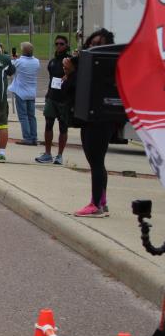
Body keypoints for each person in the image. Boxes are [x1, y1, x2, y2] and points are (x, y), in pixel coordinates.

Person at [75, 28, 116, 217]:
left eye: (99, 44)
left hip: (100, 119)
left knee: (97, 162)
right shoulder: (88, 63)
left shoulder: (105, 66)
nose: (94, 47)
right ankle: (102, 200)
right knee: (96, 162)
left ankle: (96, 204)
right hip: (90, 118)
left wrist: (71, 73)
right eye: (92, 43)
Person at [36, 35, 72, 164]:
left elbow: (76, 77)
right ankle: (47, 154)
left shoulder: (70, 61)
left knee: (63, 127)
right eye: (56, 44)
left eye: (61, 44)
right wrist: (48, 95)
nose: (58, 46)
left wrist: (68, 76)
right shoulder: (52, 62)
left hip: (64, 99)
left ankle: (60, 156)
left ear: (66, 45)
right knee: (48, 125)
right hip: (52, 97)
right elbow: (51, 79)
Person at [9, 42, 40, 146]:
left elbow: (11, 66)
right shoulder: (36, 62)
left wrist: (14, 58)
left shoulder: (19, 62)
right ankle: (34, 137)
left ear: (23, 51)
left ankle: (27, 138)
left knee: (23, 116)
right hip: (31, 92)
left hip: (21, 92)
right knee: (32, 116)